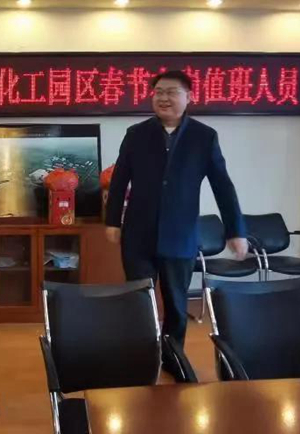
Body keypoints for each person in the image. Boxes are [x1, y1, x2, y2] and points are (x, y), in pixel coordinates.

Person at [105, 70, 248, 379]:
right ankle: (140, 360)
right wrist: (113, 221)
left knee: (176, 305)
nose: (163, 98)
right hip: (138, 235)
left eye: (171, 92)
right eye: (158, 92)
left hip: (180, 235)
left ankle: (173, 359)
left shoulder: (204, 136)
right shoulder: (136, 134)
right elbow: (119, 181)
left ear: (188, 97)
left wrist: (236, 230)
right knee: (139, 301)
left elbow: (223, 186)